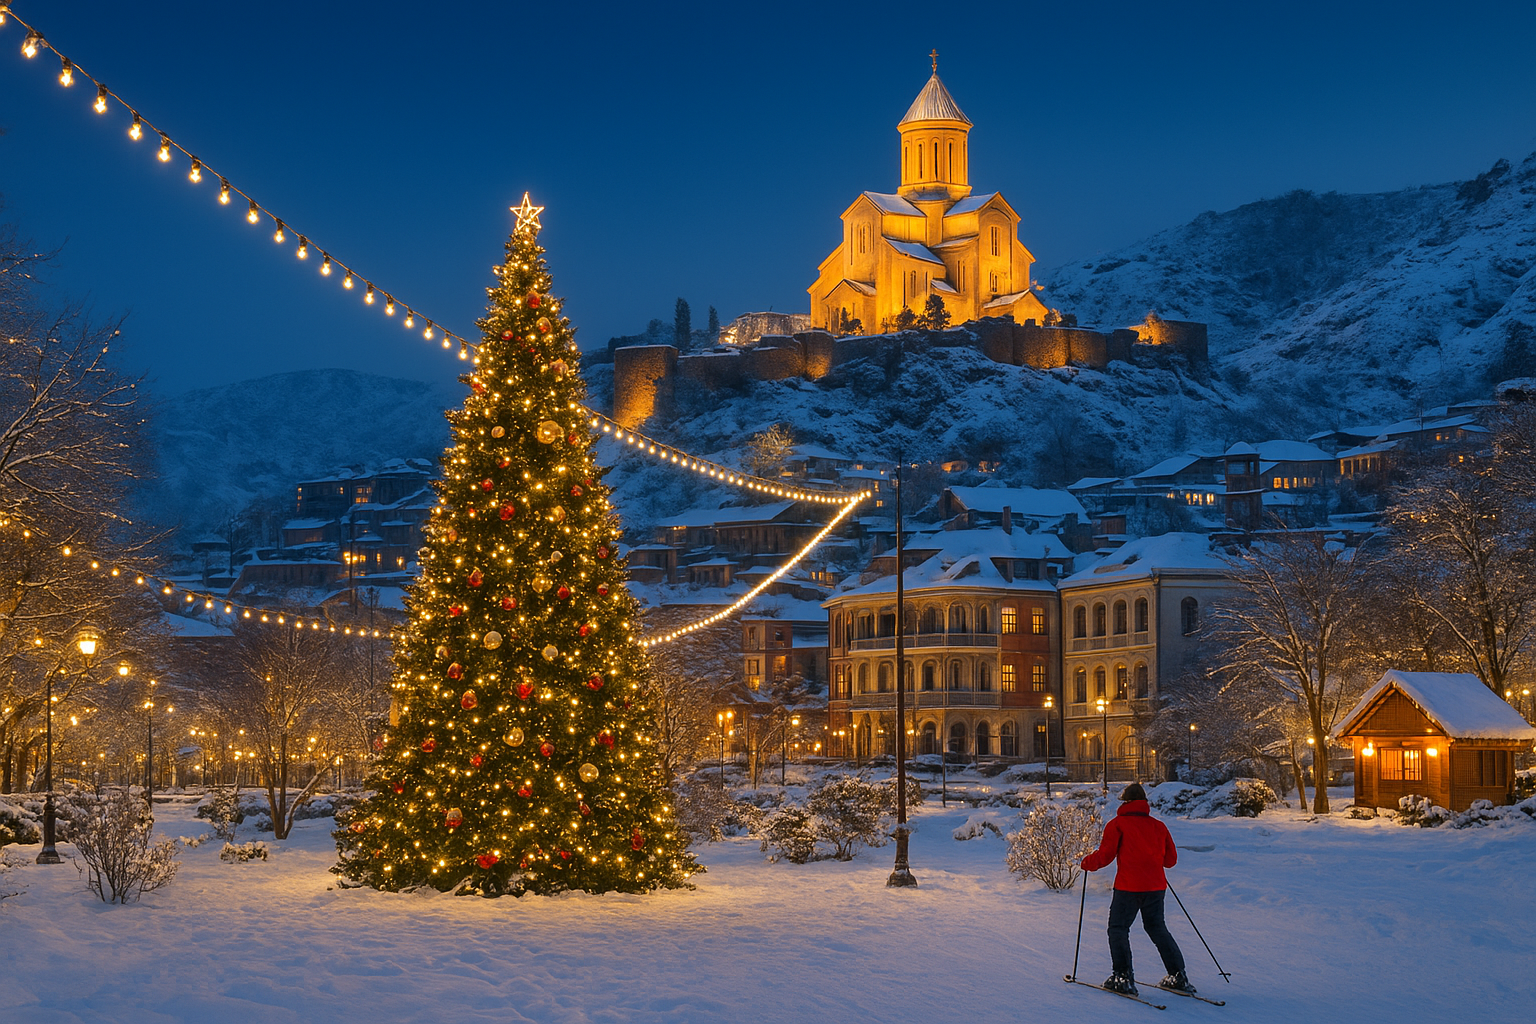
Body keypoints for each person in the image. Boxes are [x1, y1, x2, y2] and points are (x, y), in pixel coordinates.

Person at [1080, 782, 1195, 997]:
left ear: (1125, 802)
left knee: (1118, 929)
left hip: (1128, 887)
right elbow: (1170, 861)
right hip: (1156, 887)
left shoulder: (1118, 824)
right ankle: (1178, 975)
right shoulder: (1158, 826)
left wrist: (1087, 863)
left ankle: (1123, 977)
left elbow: (1105, 856)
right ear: (1144, 803)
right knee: (1157, 928)